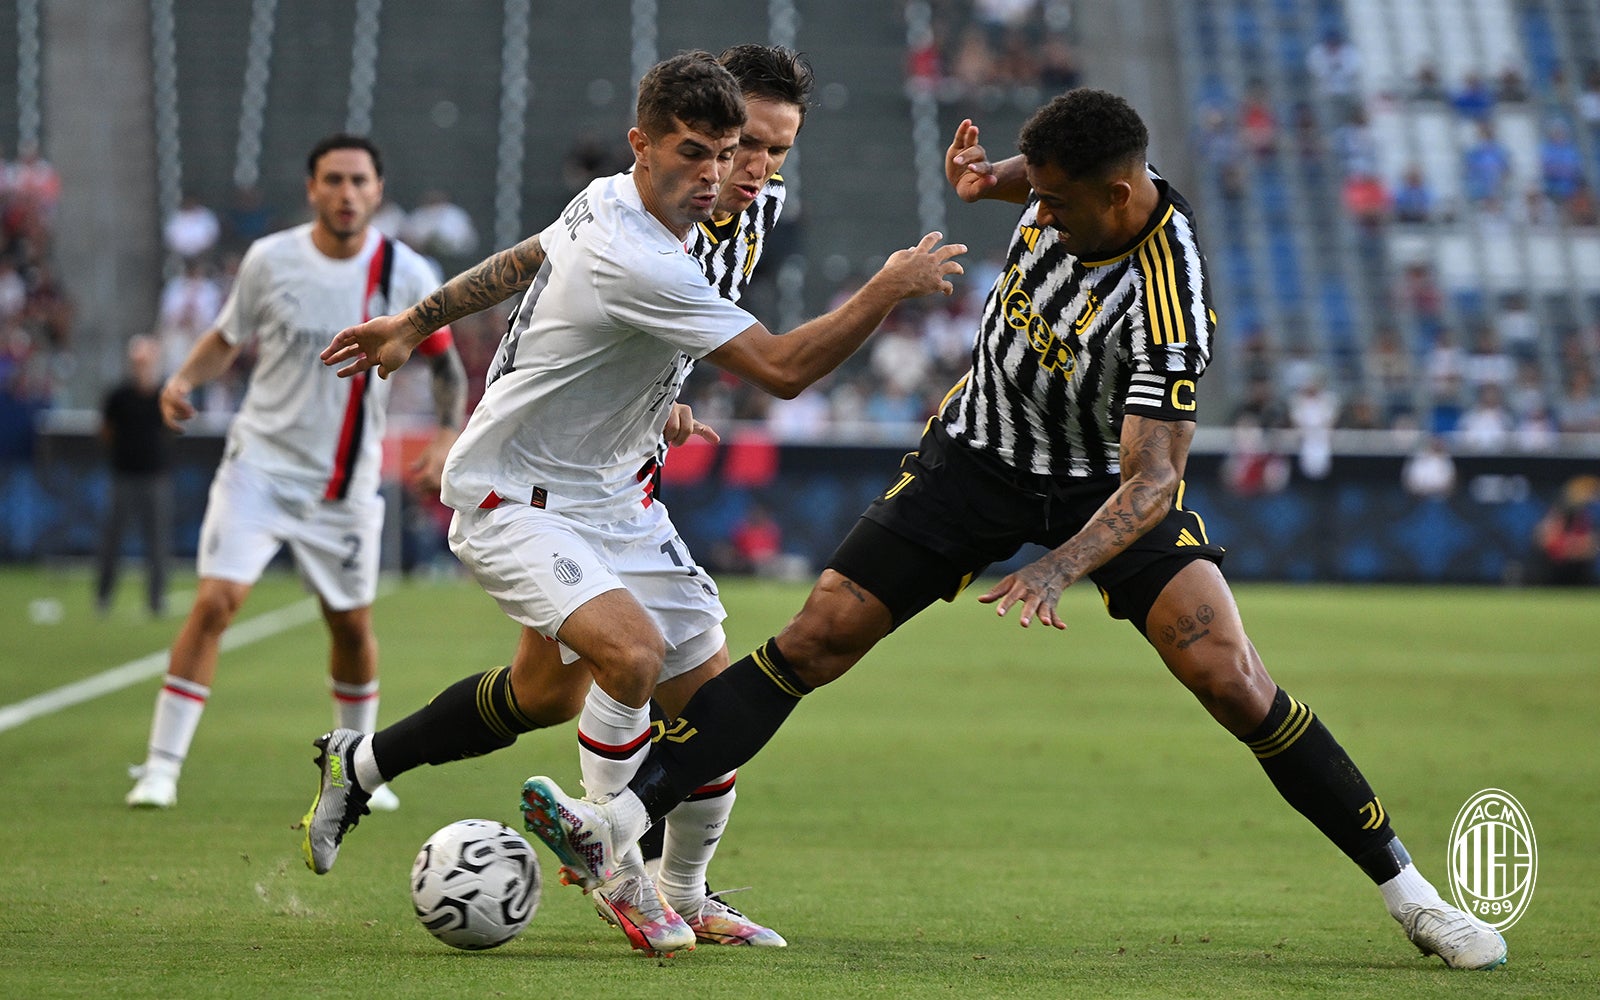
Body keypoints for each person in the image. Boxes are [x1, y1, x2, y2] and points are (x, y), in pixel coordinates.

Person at [516, 88, 1509, 972]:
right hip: (974, 457)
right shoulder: (1066, 187)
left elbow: (1154, 477)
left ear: (1117, 199)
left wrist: (1063, 567)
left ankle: (1412, 897)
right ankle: (619, 823)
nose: (1040, 212)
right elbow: (1027, 183)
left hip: (1102, 493)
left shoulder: (1167, 305)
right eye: (1035, 193)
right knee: (814, 636)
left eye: (1055, 202)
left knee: (1230, 677)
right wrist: (985, 178)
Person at [300, 50, 963, 959]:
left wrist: (421, 321)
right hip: (519, 487)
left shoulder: (713, 209)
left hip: (618, 484)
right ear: (653, 147)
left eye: (769, 152)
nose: (749, 172)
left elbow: (533, 258)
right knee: (632, 657)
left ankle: (374, 770)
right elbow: (778, 369)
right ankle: (613, 858)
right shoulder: (638, 239)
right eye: (732, 152)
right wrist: (886, 287)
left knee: (647, 702)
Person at [124, 134, 467, 810]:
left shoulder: (407, 272)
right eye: (333, 180)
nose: (346, 194)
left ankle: (359, 772)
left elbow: (446, 364)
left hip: (343, 485)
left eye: (359, 181)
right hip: (260, 466)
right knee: (216, 603)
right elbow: (227, 337)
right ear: (312, 189)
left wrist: (447, 433)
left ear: (378, 190)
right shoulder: (270, 259)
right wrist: (183, 379)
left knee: (348, 625)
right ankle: (161, 767)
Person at [95, 335, 174, 617]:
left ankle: (156, 599)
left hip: (155, 476)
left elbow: (172, 428)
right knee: (113, 539)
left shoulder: (163, 395)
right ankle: (103, 597)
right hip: (125, 475)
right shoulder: (119, 396)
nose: (142, 368)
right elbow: (106, 431)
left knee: (158, 542)